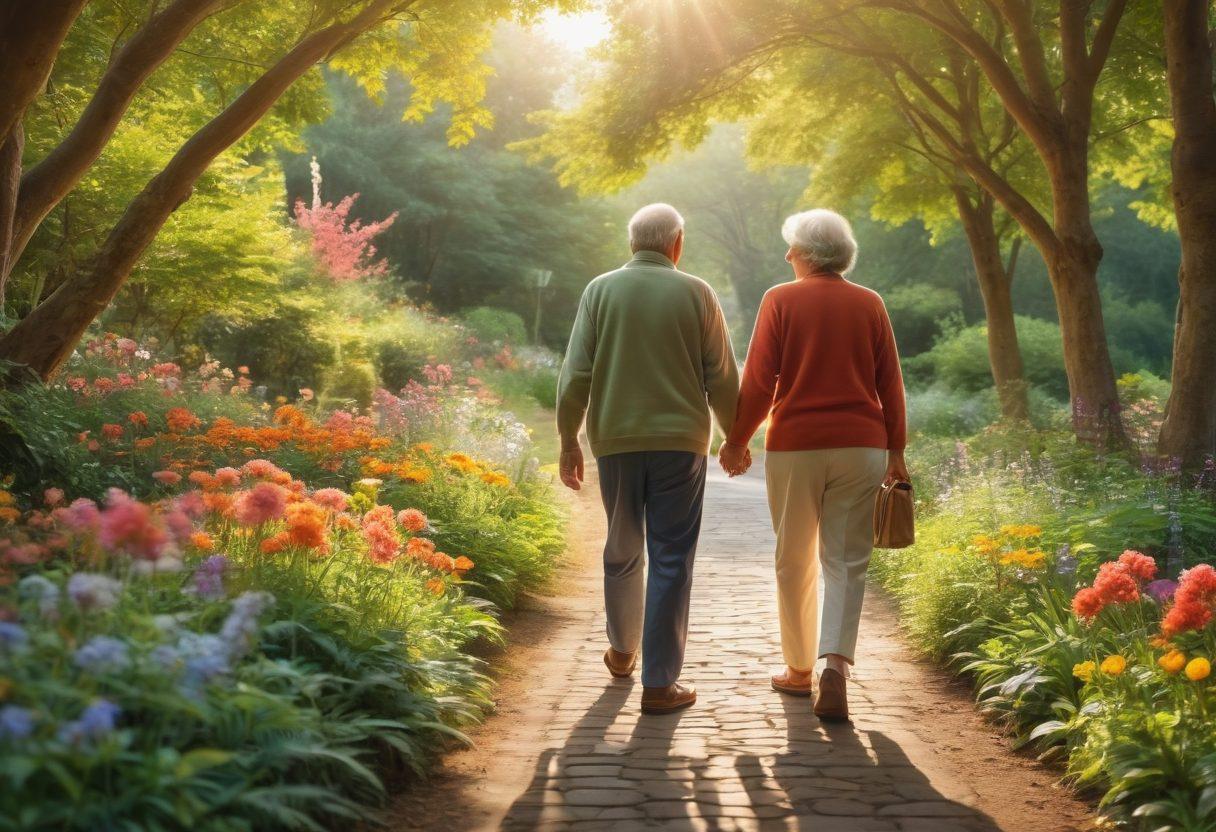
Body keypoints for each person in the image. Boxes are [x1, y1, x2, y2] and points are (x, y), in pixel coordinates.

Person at [718, 209, 908, 722]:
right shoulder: (869, 303)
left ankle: (799, 670)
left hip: (795, 446)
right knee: (847, 561)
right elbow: (890, 382)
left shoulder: (780, 299)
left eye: (792, 249)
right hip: (863, 446)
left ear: (807, 253)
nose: (786, 258)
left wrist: (737, 439)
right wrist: (897, 452)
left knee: (793, 556)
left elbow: (759, 379)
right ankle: (835, 668)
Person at [556, 203, 741, 715]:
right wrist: (735, 438)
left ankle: (621, 651)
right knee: (671, 558)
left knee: (621, 547)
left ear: (632, 243)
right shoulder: (697, 292)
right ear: (677, 243)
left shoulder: (600, 290)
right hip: (680, 444)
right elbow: (722, 376)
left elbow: (575, 375)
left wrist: (569, 438)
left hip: (614, 439)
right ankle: (660, 683)